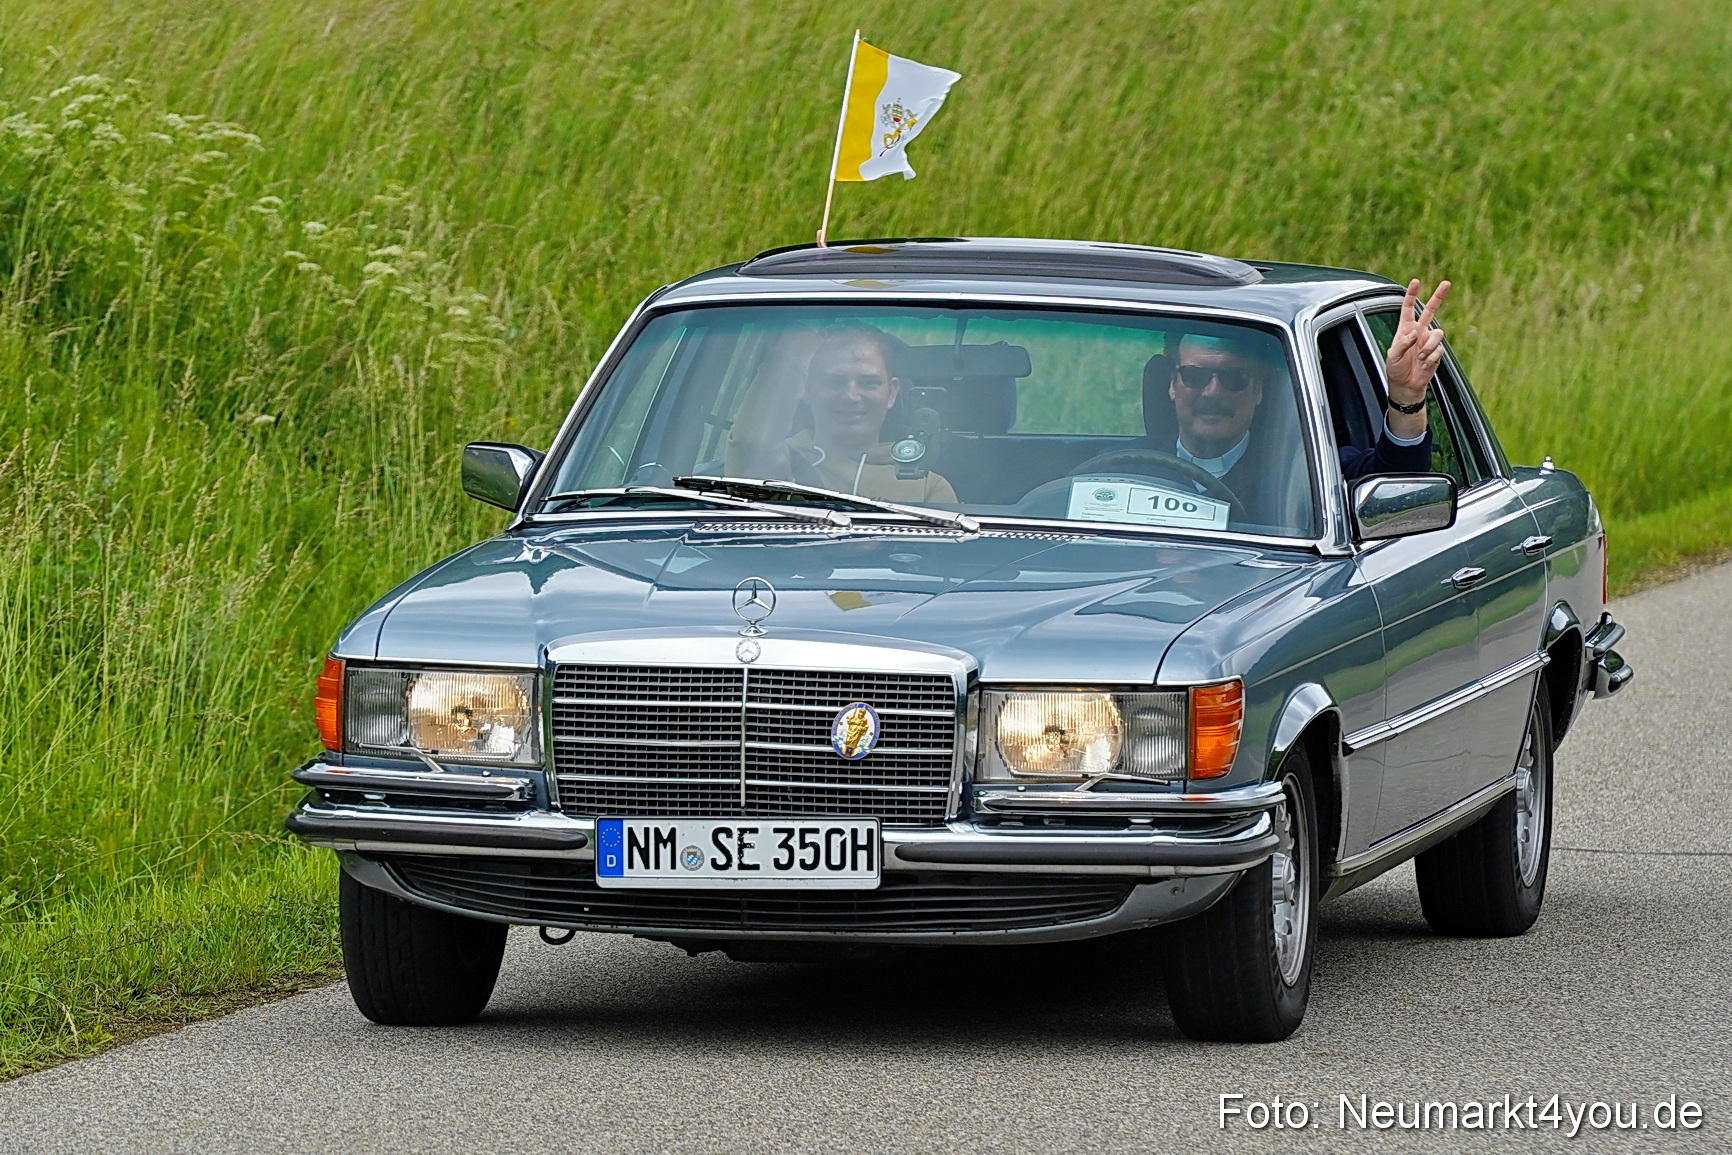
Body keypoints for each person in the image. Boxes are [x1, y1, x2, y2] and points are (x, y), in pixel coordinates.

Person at [1159, 279, 1451, 500]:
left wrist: (1406, 395)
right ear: (1172, 384)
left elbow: (1401, 480)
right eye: (1194, 376)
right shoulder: (1120, 468)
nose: (1212, 392)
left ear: (1259, 390)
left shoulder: (1311, 471)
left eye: (1234, 378)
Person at [724, 322, 958, 503]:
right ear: (807, 389)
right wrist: (795, 350)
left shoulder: (927, 488)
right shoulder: (777, 461)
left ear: (891, 393)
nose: (850, 396)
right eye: (834, 382)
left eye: (868, 383)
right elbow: (748, 442)